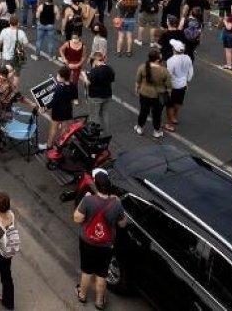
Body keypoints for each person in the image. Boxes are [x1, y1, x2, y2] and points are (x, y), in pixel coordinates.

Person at [73, 170, 127, 310]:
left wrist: (84, 199)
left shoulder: (88, 200)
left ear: (96, 185)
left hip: (88, 242)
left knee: (86, 271)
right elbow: (122, 224)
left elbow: (77, 218)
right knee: (102, 273)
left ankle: (82, 295)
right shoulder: (116, 203)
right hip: (106, 245)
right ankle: (99, 302)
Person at [133, 49, 171, 138]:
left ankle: (140, 127)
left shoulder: (142, 67)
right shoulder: (163, 71)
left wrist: (137, 90)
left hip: (144, 93)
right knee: (157, 114)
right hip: (158, 95)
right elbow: (169, 86)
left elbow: (137, 81)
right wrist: (168, 95)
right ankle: (156, 131)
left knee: (143, 111)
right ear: (157, 60)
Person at [82, 51, 115, 134]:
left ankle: (95, 132)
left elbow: (88, 83)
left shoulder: (95, 71)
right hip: (107, 95)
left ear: (96, 60)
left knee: (94, 115)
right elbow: (112, 79)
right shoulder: (110, 69)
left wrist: (84, 76)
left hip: (95, 96)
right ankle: (105, 131)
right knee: (104, 114)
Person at [164, 41, 193, 131]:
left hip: (173, 85)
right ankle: (175, 117)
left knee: (169, 105)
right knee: (178, 102)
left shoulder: (171, 60)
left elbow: (168, 75)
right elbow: (191, 71)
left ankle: (169, 123)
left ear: (173, 49)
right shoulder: (188, 58)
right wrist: (187, 81)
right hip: (183, 84)